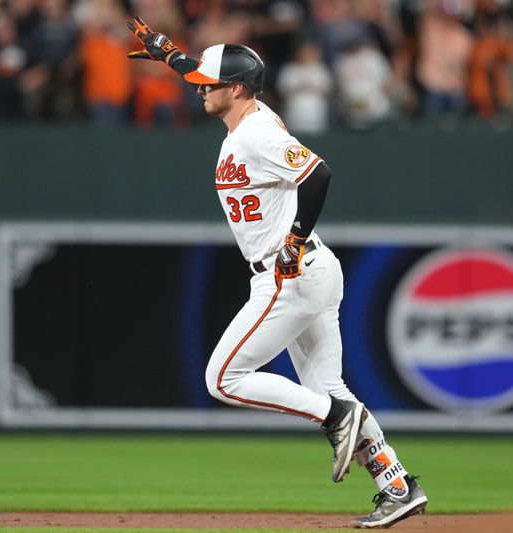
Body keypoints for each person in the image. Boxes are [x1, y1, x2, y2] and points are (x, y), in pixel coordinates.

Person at [126, 17, 428, 529]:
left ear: (237, 89)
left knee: (223, 378)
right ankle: (395, 484)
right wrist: (172, 55)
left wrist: (292, 239)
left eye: (208, 84)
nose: (200, 90)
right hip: (308, 270)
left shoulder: (258, 133)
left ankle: (337, 419)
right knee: (329, 386)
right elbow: (209, 77)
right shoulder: (246, 118)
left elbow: (318, 173)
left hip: (290, 272)